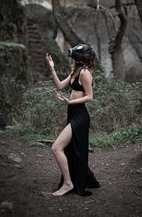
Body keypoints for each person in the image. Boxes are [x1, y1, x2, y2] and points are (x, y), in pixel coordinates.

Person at [45, 44, 100, 197]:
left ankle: (68, 183)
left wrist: (70, 102)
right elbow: (59, 86)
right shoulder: (75, 71)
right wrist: (52, 68)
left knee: (56, 148)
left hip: (80, 115)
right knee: (72, 150)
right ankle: (75, 179)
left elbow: (89, 97)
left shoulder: (85, 73)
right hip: (73, 113)